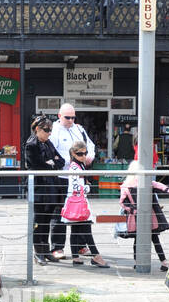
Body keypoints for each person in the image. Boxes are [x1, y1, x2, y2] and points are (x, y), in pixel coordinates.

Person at [49, 103, 95, 250]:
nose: (70, 120)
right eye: (67, 117)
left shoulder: (78, 129)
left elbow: (91, 145)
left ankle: (79, 246)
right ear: (59, 116)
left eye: (73, 117)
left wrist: (89, 156)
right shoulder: (54, 130)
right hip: (62, 177)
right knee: (59, 212)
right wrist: (66, 162)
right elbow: (51, 153)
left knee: (80, 210)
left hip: (79, 176)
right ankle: (57, 247)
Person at [24, 115, 65, 264]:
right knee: (38, 220)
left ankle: (46, 250)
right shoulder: (31, 144)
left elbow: (61, 160)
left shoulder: (48, 143)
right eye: (46, 130)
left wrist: (51, 162)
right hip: (39, 186)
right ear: (37, 129)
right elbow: (36, 165)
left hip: (51, 185)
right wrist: (51, 162)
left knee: (47, 219)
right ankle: (38, 252)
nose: (49, 133)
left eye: (50, 130)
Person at [120, 164, 169, 270]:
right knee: (149, 239)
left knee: (147, 239)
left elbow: (159, 186)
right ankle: (161, 262)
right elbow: (123, 203)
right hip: (144, 216)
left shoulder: (129, 185)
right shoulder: (129, 186)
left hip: (144, 216)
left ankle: (156, 262)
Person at [60, 144, 110, 266]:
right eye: (80, 154)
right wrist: (87, 187)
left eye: (85, 153)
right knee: (86, 229)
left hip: (75, 201)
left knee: (76, 229)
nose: (83, 156)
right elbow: (77, 187)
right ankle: (96, 256)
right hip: (79, 202)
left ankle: (76, 257)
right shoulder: (76, 168)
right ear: (73, 153)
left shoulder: (77, 165)